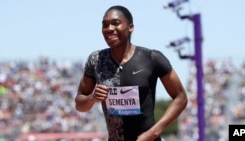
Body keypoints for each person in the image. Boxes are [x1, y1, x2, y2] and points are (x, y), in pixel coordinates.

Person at [75, 5, 188, 141]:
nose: (109, 29)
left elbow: (181, 97)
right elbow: (79, 104)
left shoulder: (151, 58)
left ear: (130, 27)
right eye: (105, 25)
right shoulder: (96, 60)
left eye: (115, 23)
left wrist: (152, 133)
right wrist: (92, 98)